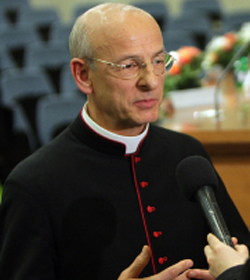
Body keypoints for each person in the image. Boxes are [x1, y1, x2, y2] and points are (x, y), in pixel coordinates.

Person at [0, 3, 250, 280]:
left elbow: (240, 253)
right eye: (129, 65)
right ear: (83, 75)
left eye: (158, 61)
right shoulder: (32, 184)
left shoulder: (187, 154)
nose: (151, 81)